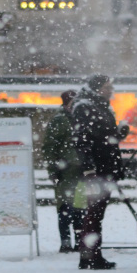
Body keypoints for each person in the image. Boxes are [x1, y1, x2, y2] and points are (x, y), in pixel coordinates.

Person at [71, 74, 127, 269]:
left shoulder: (100, 105)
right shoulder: (85, 107)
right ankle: (90, 257)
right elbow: (82, 139)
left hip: (104, 166)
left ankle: (92, 255)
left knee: (96, 212)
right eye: (106, 86)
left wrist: (119, 133)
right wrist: (89, 169)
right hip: (97, 169)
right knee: (94, 212)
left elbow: (102, 137)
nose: (110, 90)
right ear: (96, 88)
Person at [41, 90, 84, 253]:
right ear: (67, 103)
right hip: (65, 171)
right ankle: (66, 242)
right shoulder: (59, 120)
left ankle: (80, 240)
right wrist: (53, 169)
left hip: (79, 170)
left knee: (80, 207)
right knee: (65, 208)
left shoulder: (79, 118)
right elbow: (49, 147)